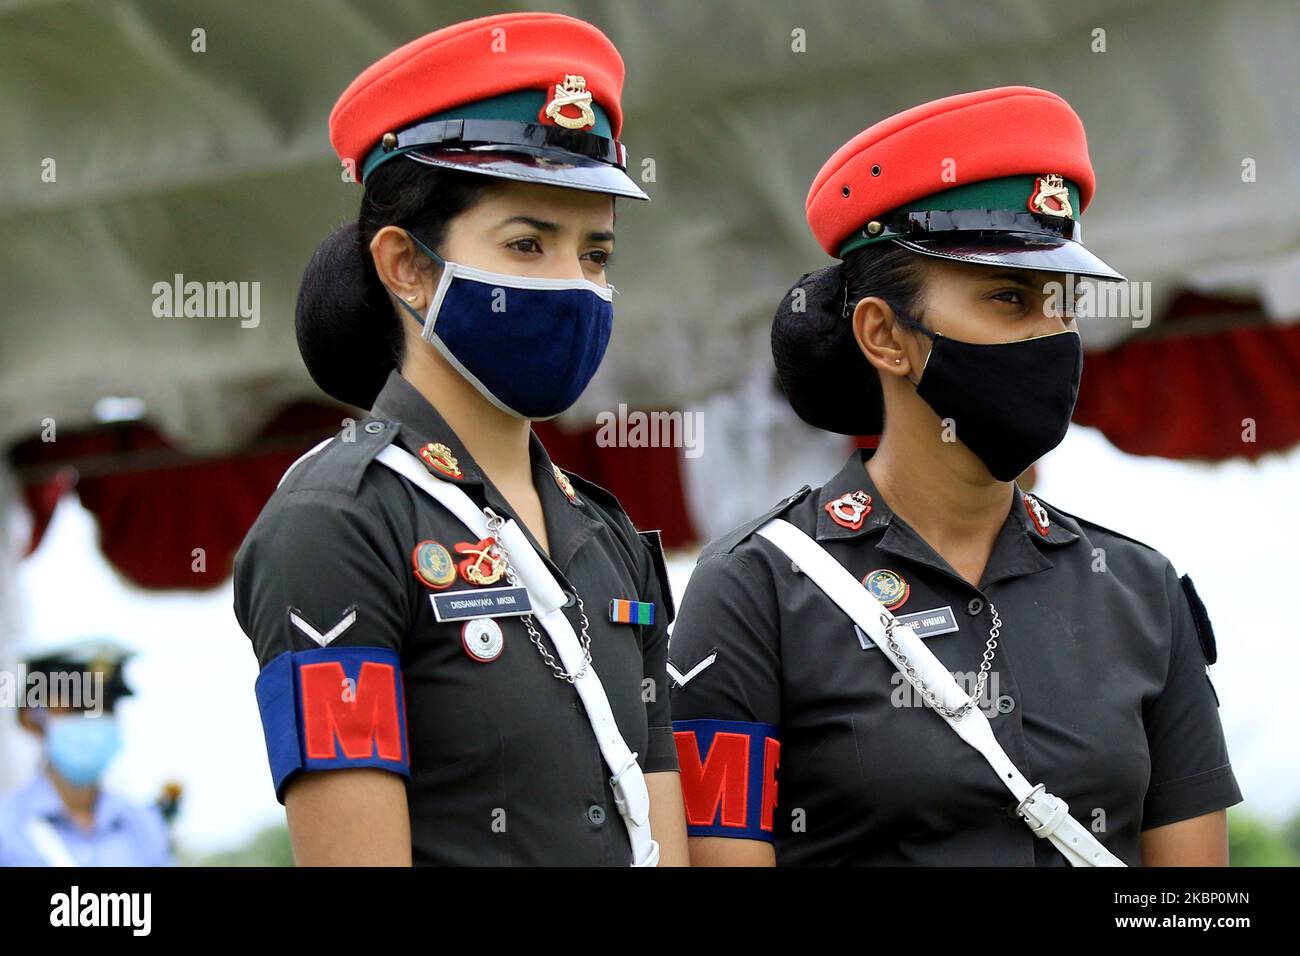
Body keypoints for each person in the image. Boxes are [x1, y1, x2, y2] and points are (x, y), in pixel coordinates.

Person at [667, 86, 1243, 866]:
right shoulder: (755, 589)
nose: (1052, 336)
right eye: (1011, 298)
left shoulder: (1141, 591)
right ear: (884, 335)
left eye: (1063, 303)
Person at [233, 11, 688, 866]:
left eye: (596, 254)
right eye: (527, 244)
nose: (575, 286)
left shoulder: (607, 532)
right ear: (406, 265)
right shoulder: (339, 521)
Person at [0, 638, 173, 867]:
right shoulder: (6, 827)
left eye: (106, 707)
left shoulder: (145, 828)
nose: (94, 719)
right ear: (31, 716)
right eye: (78, 707)